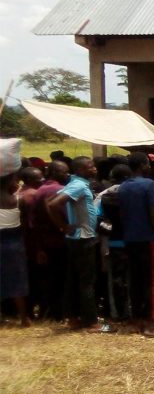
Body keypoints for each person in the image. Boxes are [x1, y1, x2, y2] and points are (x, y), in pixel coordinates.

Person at [47, 156, 113, 333]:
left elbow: (50, 203)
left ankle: (73, 317)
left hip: (77, 238)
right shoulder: (78, 186)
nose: (94, 169)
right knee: (87, 282)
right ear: (81, 169)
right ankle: (92, 322)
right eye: (90, 167)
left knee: (73, 280)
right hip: (84, 238)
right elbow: (53, 205)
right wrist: (63, 226)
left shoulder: (75, 184)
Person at [118, 152, 154, 337]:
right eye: (147, 163)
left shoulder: (123, 187)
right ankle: (150, 324)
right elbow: (153, 213)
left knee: (135, 282)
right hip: (146, 239)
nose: (149, 166)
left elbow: (122, 215)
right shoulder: (149, 184)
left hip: (129, 239)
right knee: (150, 283)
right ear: (142, 165)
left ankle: (135, 320)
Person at [31, 160, 70, 320]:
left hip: (43, 241)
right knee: (61, 278)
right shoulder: (60, 190)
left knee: (48, 278)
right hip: (60, 240)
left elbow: (33, 221)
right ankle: (59, 313)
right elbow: (65, 216)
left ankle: (48, 311)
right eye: (64, 172)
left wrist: (38, 247)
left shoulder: (39, 191)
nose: (67, 174)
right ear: (55, 173)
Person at [0, 139, 31, 327]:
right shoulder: (19, 199)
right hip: (14, 242)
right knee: (17, 279)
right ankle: (24, 317)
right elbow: (26, 222)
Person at [96, 163, 132, 321]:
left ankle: (116, 313)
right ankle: (131, 311)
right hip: (134, 242)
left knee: (114, 280)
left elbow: (98, 220)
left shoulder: (104, 196)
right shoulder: (135, 193)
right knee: (132, 279)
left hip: (112, 243)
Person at [17, 167, 44, 318]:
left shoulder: (18, 194)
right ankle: (33, 310)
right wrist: (39, 248)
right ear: (28, 180)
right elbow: (34, 224)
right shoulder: (33, 195)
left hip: (20, 242)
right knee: (35, 277)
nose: (42, 180)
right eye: (38, 178)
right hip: (32, 243)